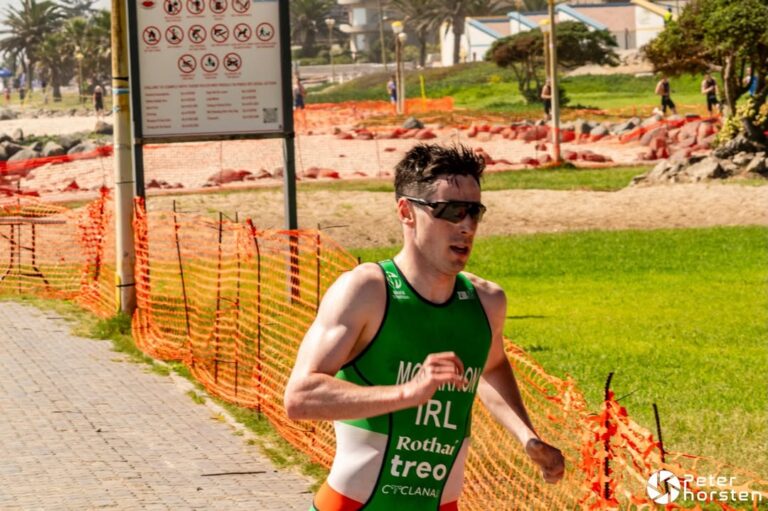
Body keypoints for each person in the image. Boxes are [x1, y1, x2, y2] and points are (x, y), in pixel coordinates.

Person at [284, 144, 565, 511]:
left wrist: (529, 439)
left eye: (473, 212)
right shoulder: (368, 290)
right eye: (449, 211)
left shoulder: (486, 302)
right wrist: (408, 393)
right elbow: (300, 397)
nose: (466, 226)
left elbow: (490, 367)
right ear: (407, 212)